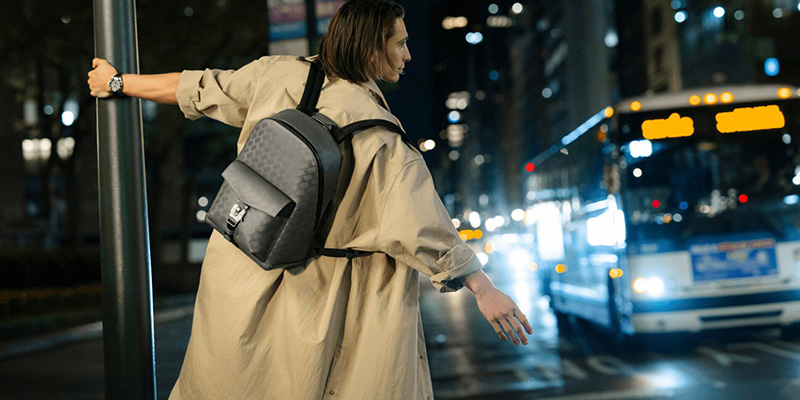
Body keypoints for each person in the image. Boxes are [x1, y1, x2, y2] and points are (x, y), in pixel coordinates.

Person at [88, 1, 532, 398]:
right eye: (400, 43)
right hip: (329, 294)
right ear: (371, 50)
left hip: (245, 265)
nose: (408, 55)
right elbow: (422, 225)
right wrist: (482, 286)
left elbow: (199, 88)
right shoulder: (380, 134)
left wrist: (117, 82)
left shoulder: (274, 74)